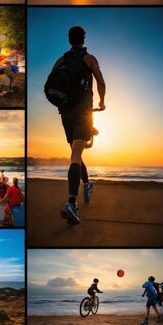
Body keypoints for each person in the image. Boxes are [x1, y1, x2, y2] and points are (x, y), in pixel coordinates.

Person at [51, 26, 106, 225]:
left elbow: (51, 82)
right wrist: (102, 102)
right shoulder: (89, 58)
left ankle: (87, 184)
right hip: (83, 112)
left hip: (65, 112)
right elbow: (101, 81)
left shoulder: (62, 59)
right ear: (83, 39)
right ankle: (73, 203)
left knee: (75, 153)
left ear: (69, 40)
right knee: (76, 155)